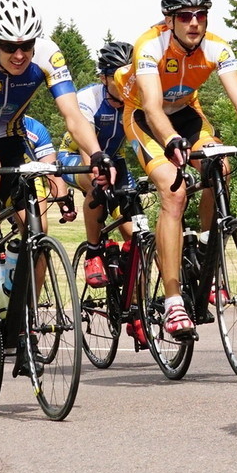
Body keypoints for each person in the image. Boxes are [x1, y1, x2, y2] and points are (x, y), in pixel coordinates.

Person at [0, 0, 116, 339]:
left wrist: (96, 153)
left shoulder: (48, 55)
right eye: (9, 46)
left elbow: (73, 116)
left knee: (37, 229)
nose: (19, 55)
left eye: (26, 46)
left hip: (12, 138)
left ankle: (24, 319)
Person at [126, 0, 237, 335]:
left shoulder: (216, 47)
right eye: (185, 16)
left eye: (201, 15)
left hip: (187, 115)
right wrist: (170, 140)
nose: (194, 22)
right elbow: (152, 107)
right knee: (174, 192)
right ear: (170, 20)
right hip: (146, 120)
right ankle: (173, 302)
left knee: (221, 167)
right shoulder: (150, 45)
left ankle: (203, 248)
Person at [69, 40, 134, 288]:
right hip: (78, 157)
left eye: (130, 75)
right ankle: (93, 252)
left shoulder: (137, 99)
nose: (125, 82)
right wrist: (97, 174)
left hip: (116, 161)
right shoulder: (89, 98)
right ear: (103, 78)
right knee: (96, 184)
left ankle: (134, 302)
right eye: (117, 76)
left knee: (136, 234)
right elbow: (85, 143)